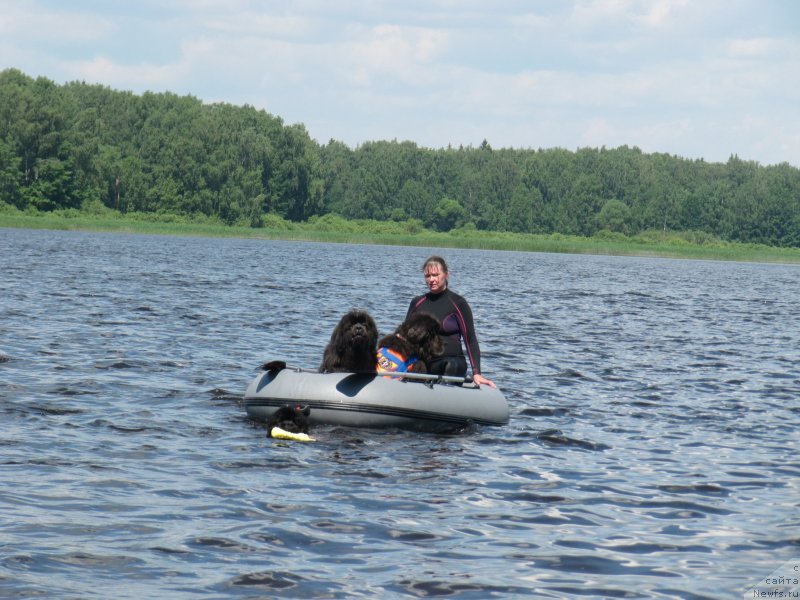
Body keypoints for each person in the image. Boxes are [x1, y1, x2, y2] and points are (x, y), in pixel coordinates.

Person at [406, 256, 496, 388]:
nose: (431, 279)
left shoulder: (458, 303)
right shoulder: (417, 303)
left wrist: (477, 373)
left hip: (453, 363)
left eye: (436, 275)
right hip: (426, 364)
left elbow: (470, 340)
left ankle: (442, 395)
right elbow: (404, 337)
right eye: (428, 276)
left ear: (446, 274)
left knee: (450, 365)